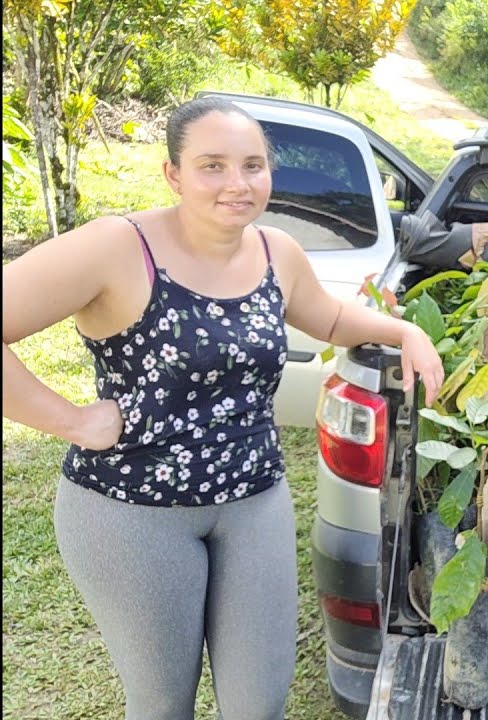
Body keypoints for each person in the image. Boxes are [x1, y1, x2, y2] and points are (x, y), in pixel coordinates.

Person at [1, 97, 444, 719]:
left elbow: (329, 318)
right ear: (173, 174)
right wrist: (70, 420)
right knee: (163, 705)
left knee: (259, 705)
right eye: (212, 165)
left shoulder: (275, 251)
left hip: (253, 502)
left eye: (253, 166)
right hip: (134, 512)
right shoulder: (117, 247)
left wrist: (404, 331)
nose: (237, 183)